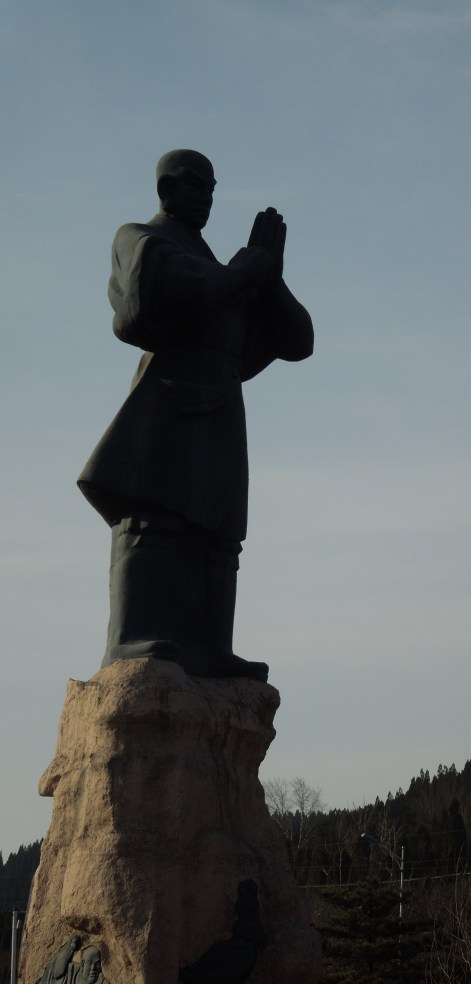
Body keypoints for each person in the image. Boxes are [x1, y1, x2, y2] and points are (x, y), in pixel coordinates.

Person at [78, 150, 314, 680]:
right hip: (169, 393)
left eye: (212, 188)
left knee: (219, 537)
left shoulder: (216, 264)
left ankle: (210, 649)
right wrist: (239, 273)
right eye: (194, 186)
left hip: (222, 404)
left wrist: (267, 277)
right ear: (165, 190)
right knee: (152, 518)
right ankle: (128, 639)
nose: (206, 197)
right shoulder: (140, 236)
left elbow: (299, 340)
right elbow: (150, 298)